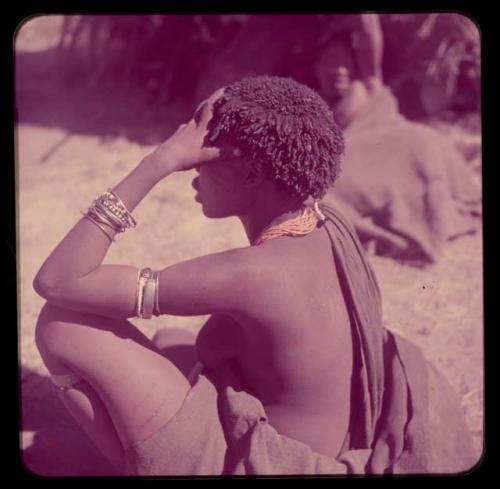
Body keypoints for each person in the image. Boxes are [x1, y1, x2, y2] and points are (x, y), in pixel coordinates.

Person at [33, 76, 476, 475]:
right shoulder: (327, 222)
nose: (191, 167)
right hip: (324, 438)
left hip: (272, 463)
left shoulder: (255, 274)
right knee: (170, 341)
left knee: (62, 324)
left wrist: (159, 161)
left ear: (248, 171)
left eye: (201, 154)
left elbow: (57, 280)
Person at [314, 33, 481, 265]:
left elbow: (368, 34)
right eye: (331, 60)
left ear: (358, 66)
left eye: (346, 61)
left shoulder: (369, 85)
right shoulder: (316, 107)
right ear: (317, 67)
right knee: (323, 190)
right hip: (362, 159)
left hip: (404, 145)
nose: (339, 69)